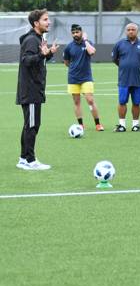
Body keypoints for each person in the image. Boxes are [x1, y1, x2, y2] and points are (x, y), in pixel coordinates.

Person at [16, 9, 57, 170]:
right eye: (45, 19)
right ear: (36, 23)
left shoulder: (37, 38)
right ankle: (31, 161)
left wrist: (48, 54)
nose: (49, 22)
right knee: (32, 126)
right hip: (31, 90)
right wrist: (42, 55)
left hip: (34, 89)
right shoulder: (32, 40)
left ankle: (23, 159)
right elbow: (27, 60)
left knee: (30, 125)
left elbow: (38, 60)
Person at [63, 24, 103, 131]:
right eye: (73, 33)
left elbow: (92, 52)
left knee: (90, 100)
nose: (75, 34)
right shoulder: (69, 47)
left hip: (86, 78)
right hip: (73, 78)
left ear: (81, 32)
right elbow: (66, 62)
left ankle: (98, 124)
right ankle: (80, 124)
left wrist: (85, 40)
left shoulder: (88, 43)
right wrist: (74, 68)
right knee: (76, 102)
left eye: (77, 32)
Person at [111, 23, 140, 132]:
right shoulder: (119, 44)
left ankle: (135, 125)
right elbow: (115, 59)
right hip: (124, 79)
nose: (131, 31)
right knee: (122, 101)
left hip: (137, 79)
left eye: (133, 29)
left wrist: (136, 65)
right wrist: (124, 65)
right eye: (128, 29)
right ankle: (122, 125)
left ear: (137, 31)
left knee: (137, 102)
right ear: (125, 31)